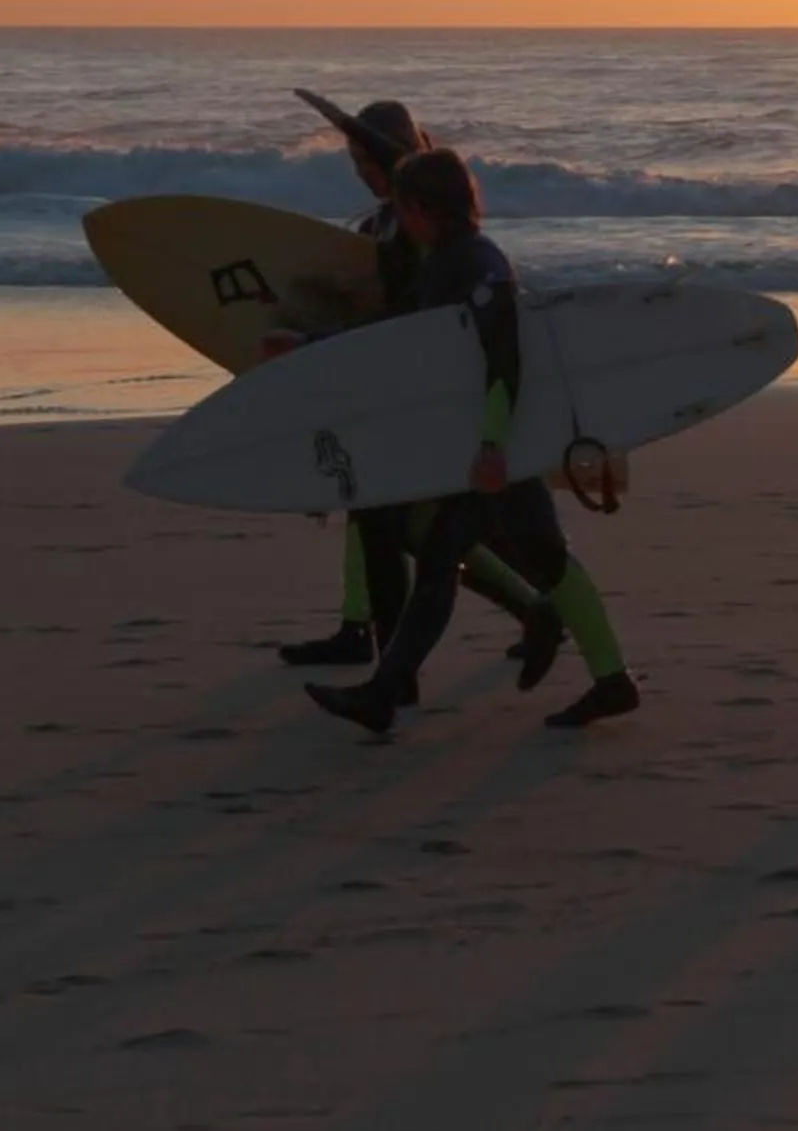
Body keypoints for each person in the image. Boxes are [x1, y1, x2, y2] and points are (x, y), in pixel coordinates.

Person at [307, 147, 639, 736]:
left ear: (422, 207)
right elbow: (407, 331)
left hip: (500, 441)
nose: (399, 219)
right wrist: (314, 344)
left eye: (403, 208)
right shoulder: (445, 261)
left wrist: (491, 446)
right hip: (487, 439)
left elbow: (504, 360)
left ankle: (385, 694)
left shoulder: (478, 264)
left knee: (449, 558)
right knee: (533, 556)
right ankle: (606, 675)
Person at [270, 95, 562, 689]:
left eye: (367, 162)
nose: (360, 174)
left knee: (439, 529)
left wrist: (316, 347)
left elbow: (412, 320)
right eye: (352, 163)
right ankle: (376, 639)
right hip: (398, 388)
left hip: (436, 397)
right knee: (399, 521)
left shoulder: (422, 232)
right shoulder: (386, 224)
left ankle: (531, 615)